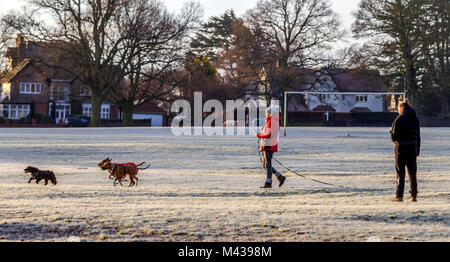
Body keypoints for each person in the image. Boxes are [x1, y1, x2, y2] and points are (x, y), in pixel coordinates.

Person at [390, 99, 421, 202]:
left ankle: (399, 196)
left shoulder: (398, 119)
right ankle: (413, 196)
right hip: (412, 148)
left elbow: (393, 136)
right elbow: (418, 136)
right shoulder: (415, 119)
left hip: (401, 149)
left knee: (400, 173)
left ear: (401, 108)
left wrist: (396, 142)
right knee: (412, 174)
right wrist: (417, 150)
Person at [257, 106, 286, 188]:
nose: (266, 114)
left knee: (268, 164)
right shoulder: (272, 121)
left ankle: (268, 183)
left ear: (270, 113)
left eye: (267, 113)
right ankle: (279, 176)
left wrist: (260, 135)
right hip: (269, 144)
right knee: (265, 164)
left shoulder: (272, 121)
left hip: (268, 144)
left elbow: (269, 134)